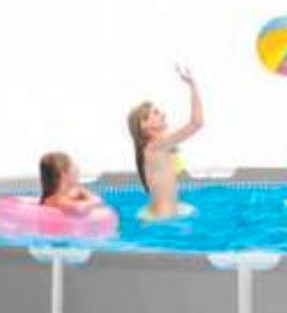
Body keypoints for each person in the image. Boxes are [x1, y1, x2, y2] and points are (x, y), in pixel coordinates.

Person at [127, 65, 204, 221]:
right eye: (155, 113)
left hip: (155, 213)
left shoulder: (154, 147)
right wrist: (193, 85)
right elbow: (196, 123)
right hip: (163, 220)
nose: (163, 114)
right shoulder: (156, 147)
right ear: (143, 125)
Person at [39, 151, 109, 217]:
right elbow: (79, 209)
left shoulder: (57, 198)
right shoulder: (55, 201)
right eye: (73, 168)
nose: (78, 172)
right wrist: (90, 198)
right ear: (63, 174)